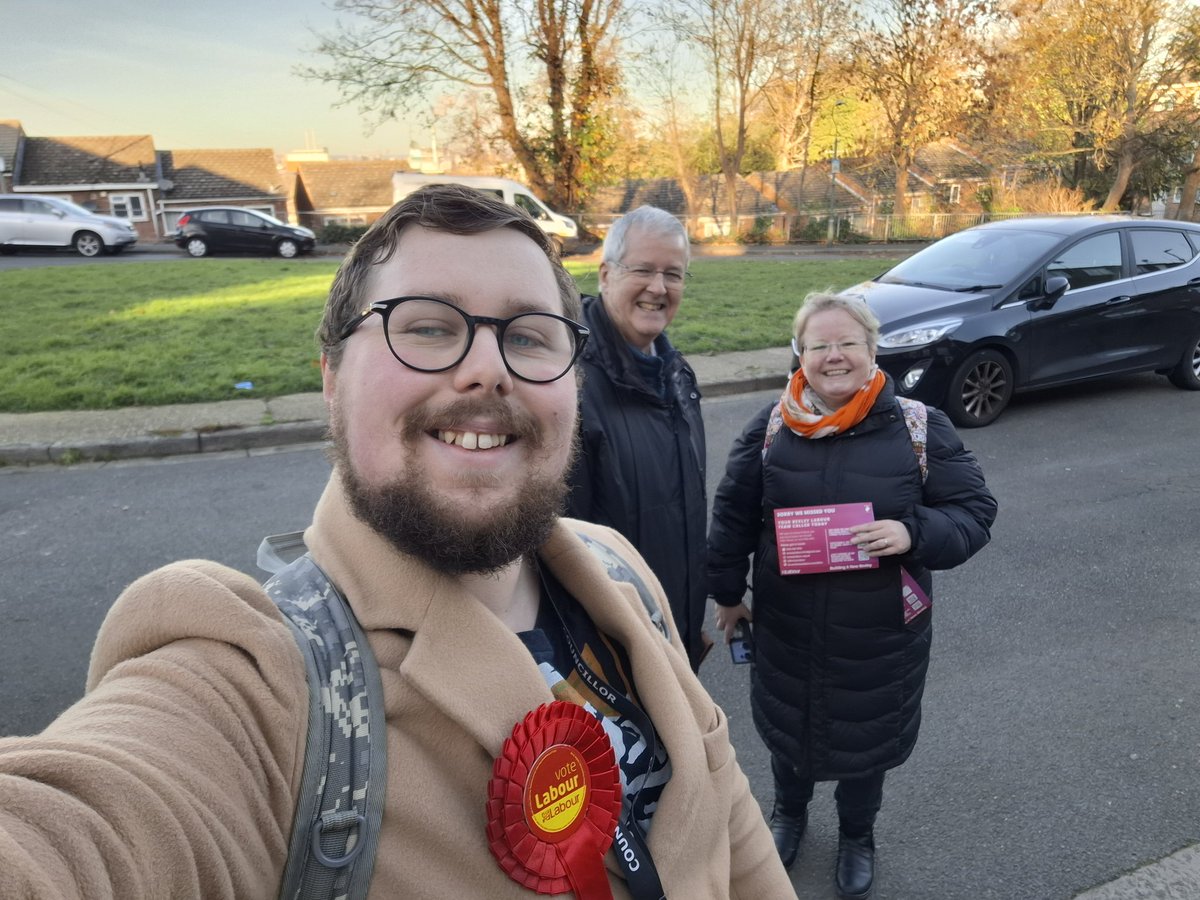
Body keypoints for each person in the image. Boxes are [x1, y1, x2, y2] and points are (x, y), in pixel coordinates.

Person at [0, 186, 796, 899]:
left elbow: (730, 824)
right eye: (426, 326)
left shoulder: (619, 573)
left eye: (529, 336)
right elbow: (83, 825)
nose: (488, 368)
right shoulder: (256, 680)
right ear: (332, 377)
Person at [707, 292, 997, 899]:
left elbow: (974, 513)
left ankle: (858, 836)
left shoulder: (919, 427)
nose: (833, 356)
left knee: (866, 746)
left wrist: (912, 532)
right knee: (790, 734)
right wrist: (728, 594)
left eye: (847, 343)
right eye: (819, 345)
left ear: (872, 349)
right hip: (787, 626)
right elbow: (733, 517)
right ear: (800, 354)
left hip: (880, 637)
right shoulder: (770, 426)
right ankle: (788, 814)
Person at [566, 206, 711, 671]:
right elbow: (559, 547)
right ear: (606, 274)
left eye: (673, 273)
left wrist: (687, 622)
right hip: (612, 652)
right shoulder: (568, 387)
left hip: (673, 635)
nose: (658, 288)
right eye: (643, 270)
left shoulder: (678, 375)